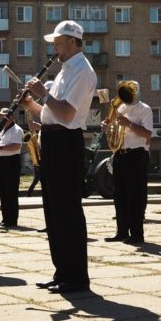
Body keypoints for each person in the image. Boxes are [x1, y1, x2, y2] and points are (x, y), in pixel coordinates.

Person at [25, 20, 96, 294]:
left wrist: (43, 93)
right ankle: (62, 272)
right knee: (53, 212)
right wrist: (31, 103)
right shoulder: (66, 70)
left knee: (67, 210)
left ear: (71, 41)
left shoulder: (83, 71)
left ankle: (77, 277)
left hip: (67, 142)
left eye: (57, 42)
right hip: (53, 139)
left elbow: (67, 114)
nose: (54, 47)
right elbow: (50, 112)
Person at [101, 81, 153, 244]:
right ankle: (121, 231)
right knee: (119, 195)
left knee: (135, 196)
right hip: (120, 154)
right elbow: (114, 129)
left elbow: (147, 134)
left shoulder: (145, 109)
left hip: (136, 155)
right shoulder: (120, 108)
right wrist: (106, 126)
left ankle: (137, 234)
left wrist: (129, 124)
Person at [0, 107, 24, 228]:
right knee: (3, 191)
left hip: (11, 162)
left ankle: (11, 220)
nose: (2, 118)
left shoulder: (16, 130)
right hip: (2, 161)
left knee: (10, 191)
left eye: (4, 116)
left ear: (11, 117)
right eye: (1, 116)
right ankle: (5, 218)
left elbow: (16, 146)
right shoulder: (2, 130)